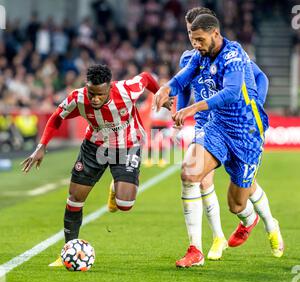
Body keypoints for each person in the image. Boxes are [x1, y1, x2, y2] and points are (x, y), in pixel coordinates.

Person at [153, 14, 284, 268]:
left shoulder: (233, 54)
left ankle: (267, 223)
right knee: (190, 173)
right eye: (193, 40)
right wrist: (166, 88)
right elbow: (183, 78)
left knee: (236, 204)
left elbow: (232, 93)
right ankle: (196, 250)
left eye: (200, 39)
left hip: (247, 132)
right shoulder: (199, 55)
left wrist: (192, 109)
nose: (196, 45)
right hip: (217, 126)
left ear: (215, 33)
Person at [21, 64, 160, 266]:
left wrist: (162, 95)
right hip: (94, 148)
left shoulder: (126, 90)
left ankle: (115, 187)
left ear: (110, 88)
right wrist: (41, 146)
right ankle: (67, 251)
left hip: (128, 146)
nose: (94, 99)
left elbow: (147, 77)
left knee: (125, 204)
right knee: (75, 198)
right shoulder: (78, 97)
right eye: (91, 93)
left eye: (99, 94)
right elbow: (55, 118)